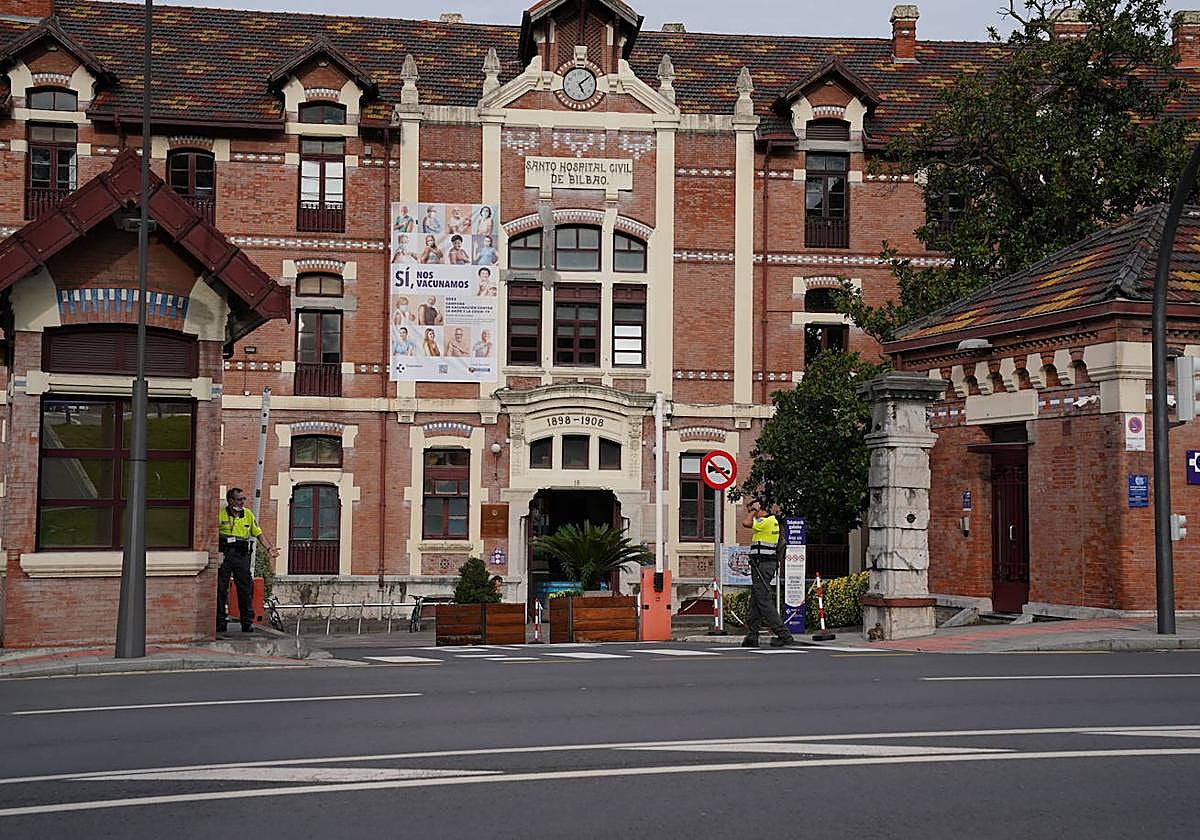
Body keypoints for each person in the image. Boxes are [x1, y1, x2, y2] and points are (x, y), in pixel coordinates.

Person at [217, 487, 278, 634]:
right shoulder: (221, 514)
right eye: (239, 499)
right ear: (230, 500)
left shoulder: (248, 515)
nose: (242, 502)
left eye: (244, 499)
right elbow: (212, 533)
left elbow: (259, 534)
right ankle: (219, 622)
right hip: (225, 555)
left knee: (245, 589)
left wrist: (270, 549)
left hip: (242, 556)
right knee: (220, 589)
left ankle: (247, 622)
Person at [739, 499, 794, 647]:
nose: (751, 513)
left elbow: (745, 523)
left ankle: (784, 635)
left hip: (762, 566)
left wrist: (752, 512)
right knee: (755, 601)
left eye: (753, 509)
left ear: (760, 509)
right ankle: (752, 635)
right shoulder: (770, 522)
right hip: (763, 565)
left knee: (762, 600)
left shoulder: (767, 522)